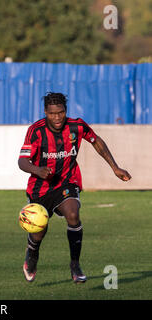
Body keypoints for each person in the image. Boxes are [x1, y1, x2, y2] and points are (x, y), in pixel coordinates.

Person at [18, 92, 131, 283]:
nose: (57, 117)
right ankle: (32, 253)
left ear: (65, 111)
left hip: (67, 182)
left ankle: (75, 264)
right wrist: (37, 170)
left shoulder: (77, 126)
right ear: (45, 112)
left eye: (60, 112)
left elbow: (96, 141)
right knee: (39, 230)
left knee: (73, 214)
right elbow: (22, 161)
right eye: (52, 113)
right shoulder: (35, 131)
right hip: (40, 187)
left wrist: (114, 167)